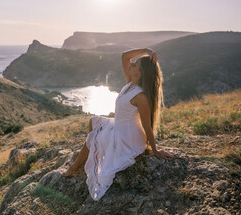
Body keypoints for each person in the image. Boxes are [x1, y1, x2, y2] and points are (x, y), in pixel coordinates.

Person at [61, 48, 174, 201]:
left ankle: (75, 167)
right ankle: (90, 158)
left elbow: (147, 126)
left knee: (96, 136)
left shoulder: (140, 96)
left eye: (135, 65)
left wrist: (154, 150)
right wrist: (147, 51)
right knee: (94, 122)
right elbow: (124, 56)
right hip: (120, 127)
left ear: (139, 73)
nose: (131, 64)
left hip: (127, 138)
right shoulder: (130, 83)